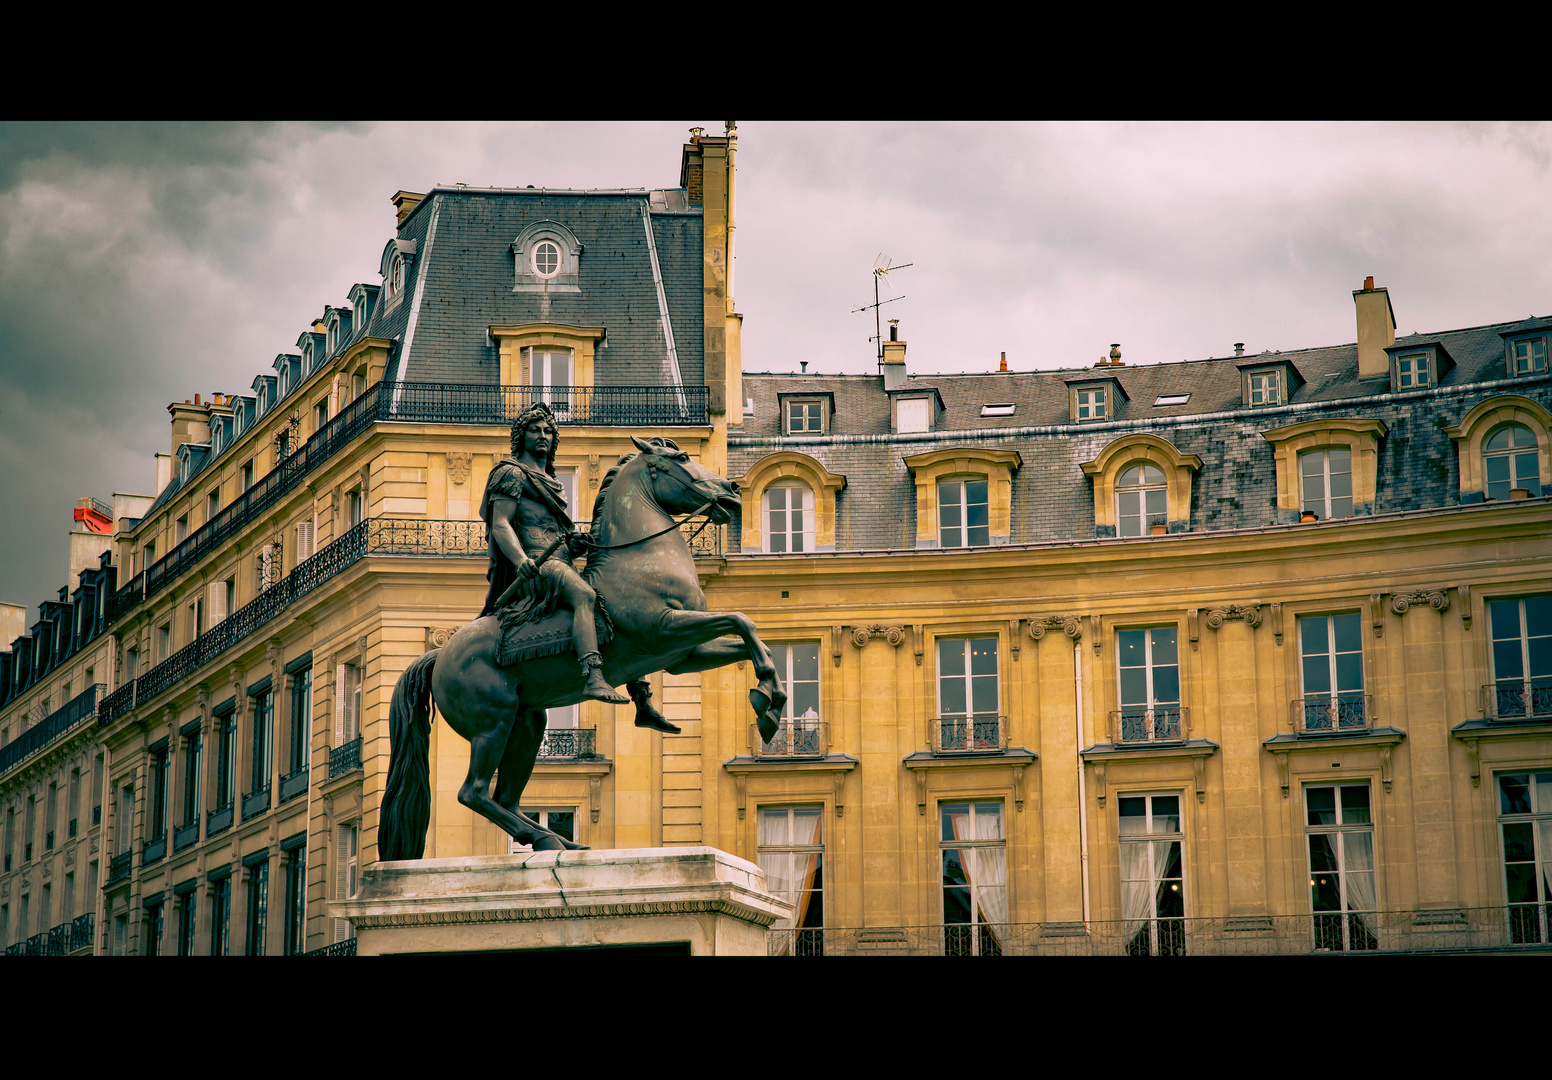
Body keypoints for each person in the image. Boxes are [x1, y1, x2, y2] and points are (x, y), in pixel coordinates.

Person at [478, 404, 679, 733]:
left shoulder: (551, 480)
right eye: (535, 430)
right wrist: (520, 561)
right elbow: (501, 524)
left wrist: (575, 543)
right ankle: (593, 675)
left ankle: (642, 701)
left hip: (559, 558)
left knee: (618, 611)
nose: (542, 436)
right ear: (521, 437)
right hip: (537, 562)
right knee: (585, 595)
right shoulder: (511, 472)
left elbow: (551, 529)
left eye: (548, 431)